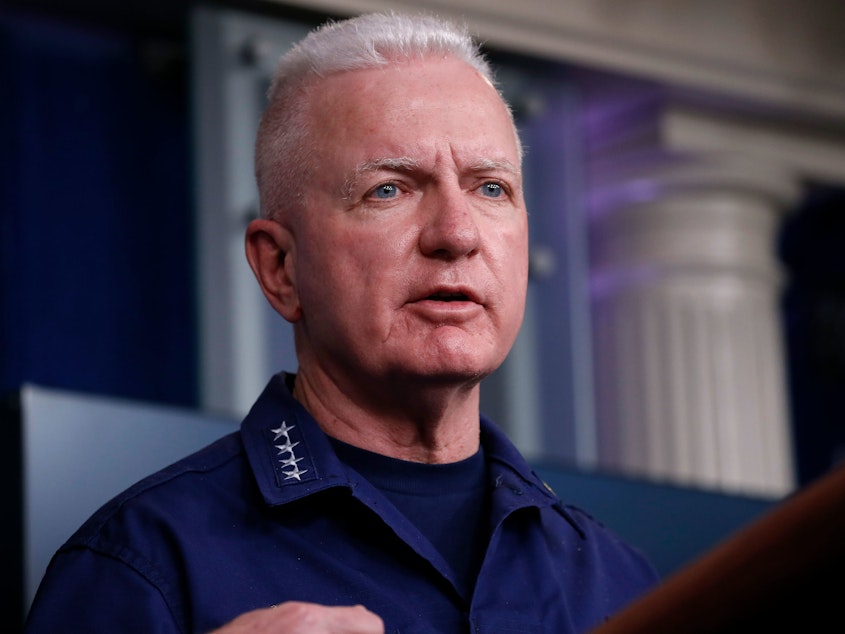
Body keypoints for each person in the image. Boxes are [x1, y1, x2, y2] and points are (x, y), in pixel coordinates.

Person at [25, 12, 658, 633]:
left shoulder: (620, 584)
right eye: (389, 189)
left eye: (490, 188)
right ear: (281, 267)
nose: (457, 234)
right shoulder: (142, 567)